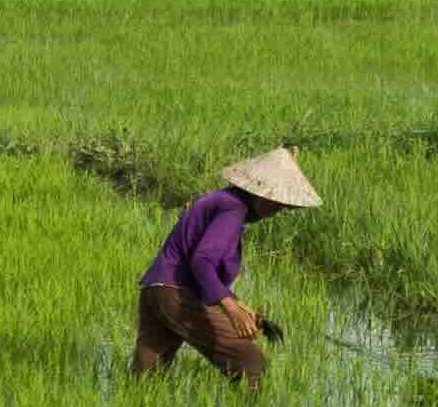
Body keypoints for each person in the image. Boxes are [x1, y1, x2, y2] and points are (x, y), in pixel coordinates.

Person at [130, 147, 321, 388]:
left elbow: (200, 270)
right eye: (277, 201)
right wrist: (231, 309)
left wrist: (239, 305)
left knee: (146, 381)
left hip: (156, 289)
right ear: (260, 191)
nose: (279, 209)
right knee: (251, 362)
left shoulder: (223, 201)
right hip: (176, 292)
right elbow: (202, 261)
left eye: (283, 204)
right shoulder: (233, 208)